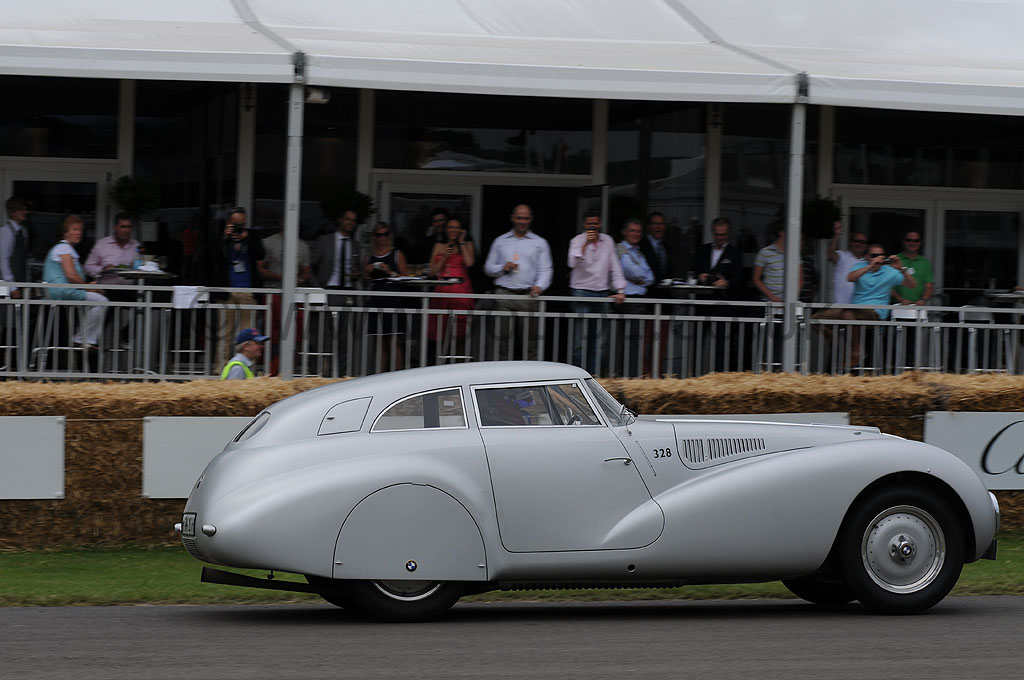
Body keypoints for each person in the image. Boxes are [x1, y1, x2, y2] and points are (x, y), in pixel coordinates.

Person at [483, 204, 553, 360]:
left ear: (531, 219)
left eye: (526, 218)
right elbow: (488, 268)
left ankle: (531, 374)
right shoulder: (500, 241)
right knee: (501, 340)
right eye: (519, 218)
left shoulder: (540, 242)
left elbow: (546, 269)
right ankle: (501, 374)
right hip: (504, 295)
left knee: (531, 342)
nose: (522, 221)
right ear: (512, 218)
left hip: (528, 296)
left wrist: (540, 286)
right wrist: (502, 267)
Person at [204, 207, 264, 369]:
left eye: (242, 224)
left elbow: (261, 255)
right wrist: (225, 238)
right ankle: (221, 370)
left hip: (248, 291)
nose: (238, 227)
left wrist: (247, 239)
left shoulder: (252, 236)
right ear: (228, 222)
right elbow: (212, 258)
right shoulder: (220, 238)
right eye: (235, 223)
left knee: (248, 336)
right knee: (224, 334)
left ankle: (247, 369)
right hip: (226, 292)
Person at [567, 209, 626, 373]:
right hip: (580, 291)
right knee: (579, 342)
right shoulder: (577, 240)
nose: (592, 227)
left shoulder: (608, 240)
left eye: (595, 224)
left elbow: (614, 265)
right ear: (584, 224)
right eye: (589, 224)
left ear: (600, 224)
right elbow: (572, 263)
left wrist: (620, 289)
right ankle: (577, 378)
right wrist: (585, 244)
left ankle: (596, 378)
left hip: (601, 292)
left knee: (599, 343)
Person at [42, 215, 108, 349]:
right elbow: (71, 275)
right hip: (62, 291)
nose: (79, 233)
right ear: (65, 232)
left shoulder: (65, 249)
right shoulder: (64, 248)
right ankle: (82, 338)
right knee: (101, 301)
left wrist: (89, 287)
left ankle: (82, 338)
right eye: (75, 229)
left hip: (61, 291)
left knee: (97, 300)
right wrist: (88, 287)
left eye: (80, 230)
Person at [845, 244, 916, 365]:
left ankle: (857, 350)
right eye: (874, 255)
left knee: (848, 313)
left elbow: (912, 285)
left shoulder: (889, 271)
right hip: (856, 310)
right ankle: (850, 347)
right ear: (867, 257)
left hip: (876, 313)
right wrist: (870, 267)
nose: (878, 258)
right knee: (818, 319)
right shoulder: (860, 266)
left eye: (881, 255)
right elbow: (850, 278)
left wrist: (901, 269)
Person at [257, 225, 312, 376]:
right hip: (273, 294)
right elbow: (260, 268)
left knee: (295, 335)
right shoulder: (268, 242)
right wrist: (281, 278)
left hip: (294, 297)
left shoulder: (302, 245)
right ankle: (271, 372)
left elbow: (306, 270)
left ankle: (289, 372)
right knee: (272, 336)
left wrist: (299, 279)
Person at [427, 216, 475, 359]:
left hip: (461, 290)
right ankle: (441, 362)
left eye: (456, 227)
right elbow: (431, 272)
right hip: (443, 290)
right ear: (446, 229)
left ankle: (458, 363)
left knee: (459, 330)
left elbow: (469, 263)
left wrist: (461, 242)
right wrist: (443, 257)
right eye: (450, 227)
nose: (453, 230)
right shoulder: (438, 246)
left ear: (461, 229)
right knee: (440, 329)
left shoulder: (467, 244)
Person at [363, 222, 409, 371]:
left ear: (389, 236)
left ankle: (397, 375)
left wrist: (390, 272)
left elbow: (405, 278)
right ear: (374, 237)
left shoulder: (397, 254)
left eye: (385, 234)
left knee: (394, 340)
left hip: (393, 298)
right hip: (376, 298)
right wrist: (367, 272)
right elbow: (365, 282)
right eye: (378, 235)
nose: (382, 238)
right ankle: (380, 375)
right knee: (380, 341)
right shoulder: (369, 257)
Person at [616, 218, 654, 376]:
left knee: (635, 342)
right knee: (626, 342)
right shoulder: (621, 249)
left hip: (638, 302)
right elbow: (633, 272)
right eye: (632, 230)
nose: (635, 234)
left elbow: (651, 277)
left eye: (638, 231)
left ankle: (631, 377)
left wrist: (641, 277)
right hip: (628, 300)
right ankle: (623, 376)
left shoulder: (638, 252)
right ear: (624, 232)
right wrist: (641, 277)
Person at [84, 212, 141, 298]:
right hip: (106, 290)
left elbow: (140, 265)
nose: (126, 230)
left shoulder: (136, 245)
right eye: (122, 227)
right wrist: (103, 270)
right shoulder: (102, 244)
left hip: (129, 291)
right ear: (115, 228)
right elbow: (88, 267)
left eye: (129, 227)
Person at [752, 223, 801, 303]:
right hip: (769, 302)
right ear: (781, 233)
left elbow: (800, 278)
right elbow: (756, 278)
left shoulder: (794, 253)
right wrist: (772, 297)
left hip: (789, 302)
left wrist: (792, 297)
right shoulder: (765, 252)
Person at [695, 217, 742, 294]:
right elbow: (693, 271)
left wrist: (727, 283)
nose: (720, 238)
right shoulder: (703, 250)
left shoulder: (735, 253)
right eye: (717, 234)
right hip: (703, 296)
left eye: (723, 234)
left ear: (729, 233)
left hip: (724, 297)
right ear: (713, 232)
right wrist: (699, 277)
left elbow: (739, 279)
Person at [826, 221, 868, 304]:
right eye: (856, 241)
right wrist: (836, 236)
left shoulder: (869, 264)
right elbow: (830, 255)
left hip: (860, 307)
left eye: (863, 242)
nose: (859, 244)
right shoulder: (842, 256)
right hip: (840, 306)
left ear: (866, 245)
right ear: (850, 242)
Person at [639, 211, 687, 283]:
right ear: (648, 226)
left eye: (662, 224)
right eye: (655, 223)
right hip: (647, 288)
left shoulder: (666, 247)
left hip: (665, 288)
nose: (659, 227)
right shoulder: (640, 245)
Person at [892, 230, 933, 306]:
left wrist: (923, 300)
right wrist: (900, 299)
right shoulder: (895, 260)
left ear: (920, 243)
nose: (912, 243)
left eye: (916, 241)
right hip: (897, 305)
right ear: (903, 242)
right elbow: (887, 285)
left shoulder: (925, 262)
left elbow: (929, 286)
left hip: (918, 306)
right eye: (909, 240)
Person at [0, 197, 31, 298]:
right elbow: (3, 260)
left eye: (25, 209)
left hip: (21, 282)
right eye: (21, 210)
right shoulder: (6, 232)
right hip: (8, 285)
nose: (24, 212)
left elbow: (24, 259)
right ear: (12, 212)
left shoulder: (23, 231)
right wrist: (12, 286)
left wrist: (27, 283)